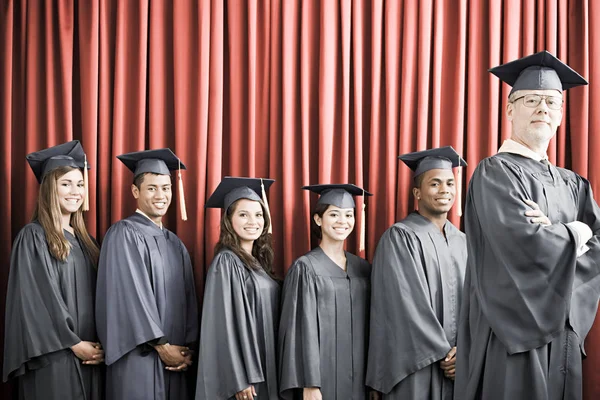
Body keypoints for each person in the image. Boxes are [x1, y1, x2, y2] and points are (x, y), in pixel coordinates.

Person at [455, 50, 600, 399]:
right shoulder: (496, 173)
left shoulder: (575, 184)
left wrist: (557, 234)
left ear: (562, 115)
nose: (542, 108)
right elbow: (522, 242)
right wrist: (576, 232)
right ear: (509, 110)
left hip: (564, 335)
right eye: (530, 100)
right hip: (513, 336)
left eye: (552, 101)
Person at [3, 140, 104, 399]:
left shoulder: (88, 242)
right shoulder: (34, 237)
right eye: (66, 184)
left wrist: (101, 344)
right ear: (50, 188)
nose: (75, 191)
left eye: (80, 184)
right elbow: (37, 300)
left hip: (92, 355)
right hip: (54, 355)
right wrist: (73, 343)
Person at [96, 148, 198, 400]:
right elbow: (129, 296)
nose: (161, 195)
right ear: (135, 192)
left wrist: (186, 351)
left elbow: (189, 302)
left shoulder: (175, 243)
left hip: (175, 360)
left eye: (166, 188)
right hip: (138, 356)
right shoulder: (123, 233)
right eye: (152, 188)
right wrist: (161, 346)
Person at [366, 146, 467, 400]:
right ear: (417, 193)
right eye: (435, 183)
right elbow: (405, 306)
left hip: (463, 365)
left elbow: (478, 302)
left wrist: (467, 350)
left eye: (450, 183)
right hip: (417, 366)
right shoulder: (400, 237)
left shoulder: (464, 242)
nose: (445, 190)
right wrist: (446, 354)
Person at [278, 184, 375, 400]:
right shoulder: (305, 268)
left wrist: (375, 380)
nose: (343, 221)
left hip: (360, 380)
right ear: (318, 219)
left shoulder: (363, 268)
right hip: (322, 380)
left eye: (349, 215)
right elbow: (298, 330)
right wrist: (309, 384)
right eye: (334, 214)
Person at [196, 176, 280, 400]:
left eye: (258, 214)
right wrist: (238, 378)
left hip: (265, 364)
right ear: (229, 220)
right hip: (245, 377)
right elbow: (222, 324)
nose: (253, 221)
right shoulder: (227, 262)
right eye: (243, 214)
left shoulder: (257, 263)